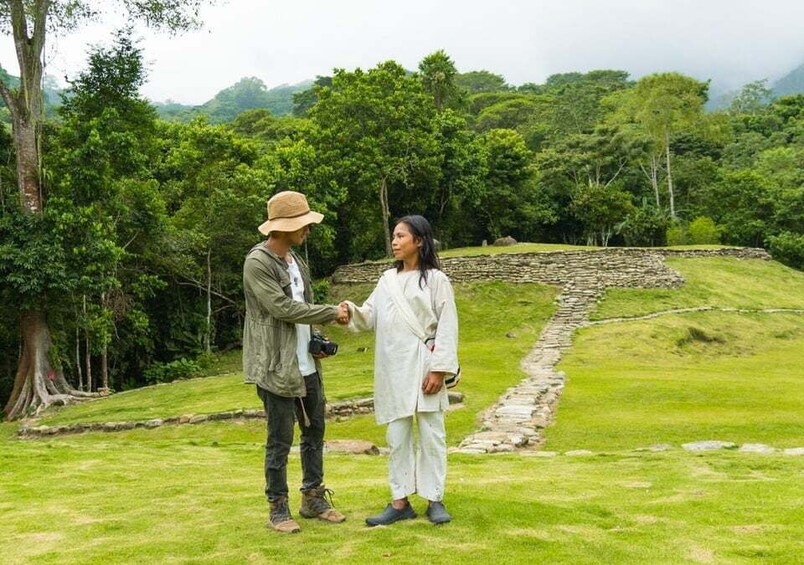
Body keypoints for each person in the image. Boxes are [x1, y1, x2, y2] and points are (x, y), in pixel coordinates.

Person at [242, 190, 350, 534]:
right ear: (284, 227)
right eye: (302, 224)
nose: (308, 229)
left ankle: (313, 499)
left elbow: (302, 307)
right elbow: (283, 309)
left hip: (306, 363)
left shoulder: (294, 260)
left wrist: (316, 339)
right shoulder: (257, 262)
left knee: (314, 432)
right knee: (279, 440)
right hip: (276, 366)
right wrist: (332, 313)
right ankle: (278, 508)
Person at [343, 215, 459, 526]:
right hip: (393, 369)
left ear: (419, 241)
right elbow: (368, 316)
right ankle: (399, 501)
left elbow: (447, 326)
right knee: (397, 437)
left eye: (401, 236)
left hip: (425, 368)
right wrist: (348, 312)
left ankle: (434, 498)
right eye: (393, 236)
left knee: (432, 435)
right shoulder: (386, 281)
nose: (394, 242)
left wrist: (439, 370)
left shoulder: (437, 280)